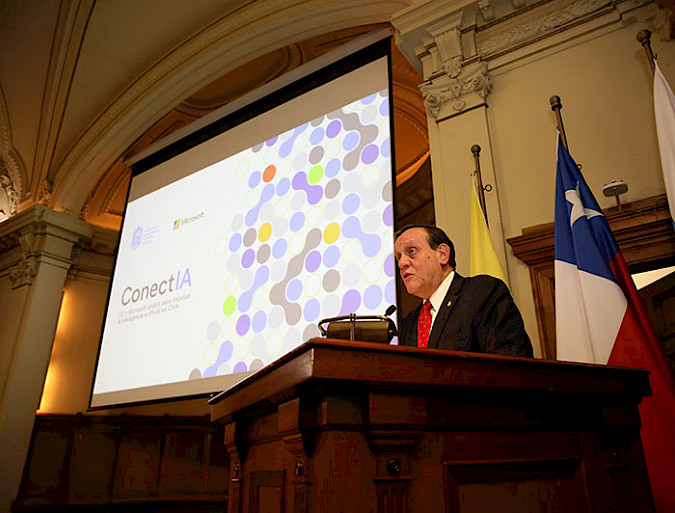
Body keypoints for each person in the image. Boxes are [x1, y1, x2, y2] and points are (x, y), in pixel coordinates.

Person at [394, 224, 533, 357]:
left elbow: (510, 365)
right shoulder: (409, 322)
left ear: (442, 254)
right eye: (399, 257)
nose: (402, 263)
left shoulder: (482, 293)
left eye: (411, 251)